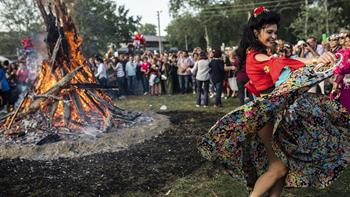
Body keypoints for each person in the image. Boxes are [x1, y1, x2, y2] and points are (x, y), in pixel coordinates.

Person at [198, 6, 349, 197]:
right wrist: (316, 60)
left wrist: (315, 62)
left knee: (282, 169)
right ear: (255, 32)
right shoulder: (256, 56)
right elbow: (281, 64)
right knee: (278, 167)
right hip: (266, 118)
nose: (273, 36)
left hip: (273, 115)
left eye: (275, 32)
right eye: (269, 32)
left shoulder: (259, 54)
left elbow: (282, 65)